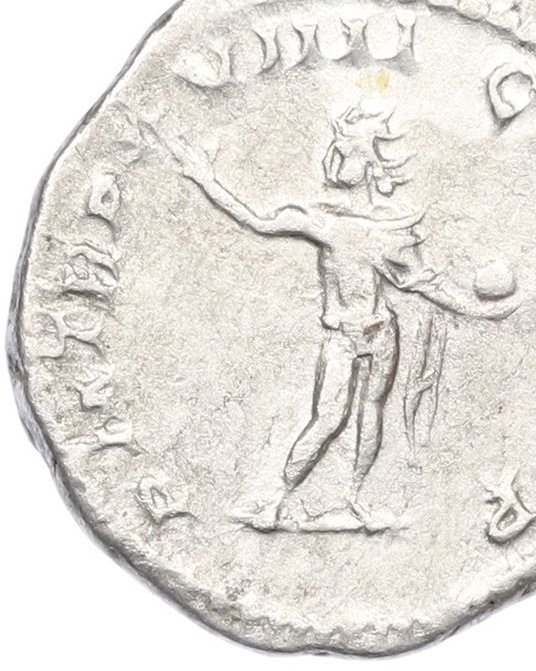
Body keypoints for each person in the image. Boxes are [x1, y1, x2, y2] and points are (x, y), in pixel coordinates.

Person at [167, 104, 518, 530]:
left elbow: (426, 284)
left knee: (371, 415)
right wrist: (206, 178)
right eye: (335, 147)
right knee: (328, 418)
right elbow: (257, 221)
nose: (331, 158)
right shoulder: (322, 221)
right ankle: (276, 499)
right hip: (342, 336)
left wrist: (481, 309)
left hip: (381, 335)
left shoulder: (389, 229)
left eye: (344, 150)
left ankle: (354, 499)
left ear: (370, 163)